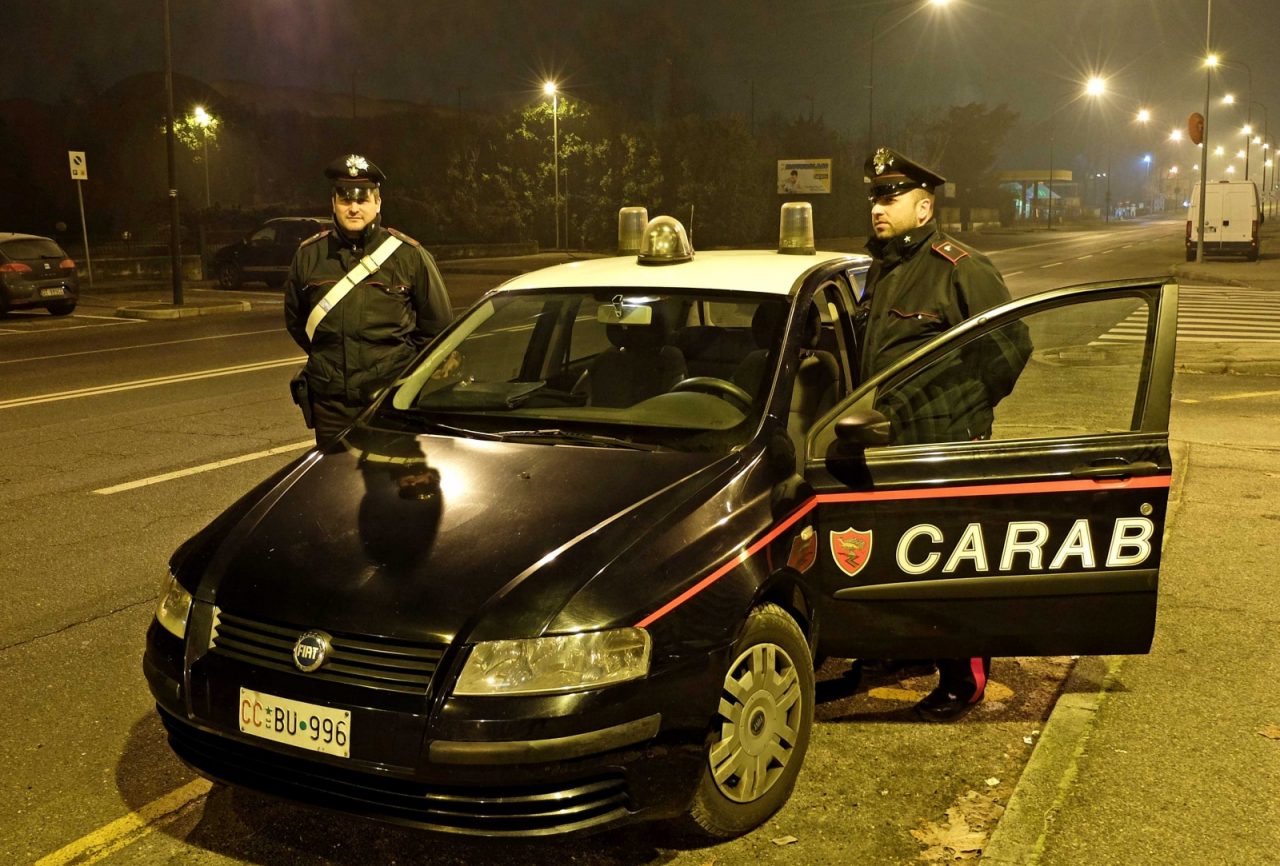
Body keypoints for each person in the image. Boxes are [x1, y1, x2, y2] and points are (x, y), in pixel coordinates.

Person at [854, 146, 1032, 722]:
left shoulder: (960, 268)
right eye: (875, 198)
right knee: (899, 559)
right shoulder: (881, 270)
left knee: (948, 563)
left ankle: (963, 679)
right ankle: (908, 649)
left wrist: (961, 416)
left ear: (924, 206)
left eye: (890, 197)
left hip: (943, 445)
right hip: (886, 442)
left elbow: (1011, 348)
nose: (878, 207)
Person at [284, 154, 454, 444]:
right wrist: (331, 359)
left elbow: (437, 329)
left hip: (389, 400)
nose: (353, 208)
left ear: (377, 203)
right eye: (345, 199)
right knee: (334, 484)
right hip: (331, 404)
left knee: (390, 483)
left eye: (362, 200)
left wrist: (397, 368)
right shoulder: (309, 255)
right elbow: (297, 321)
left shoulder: (409, 255)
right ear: (333, 203)